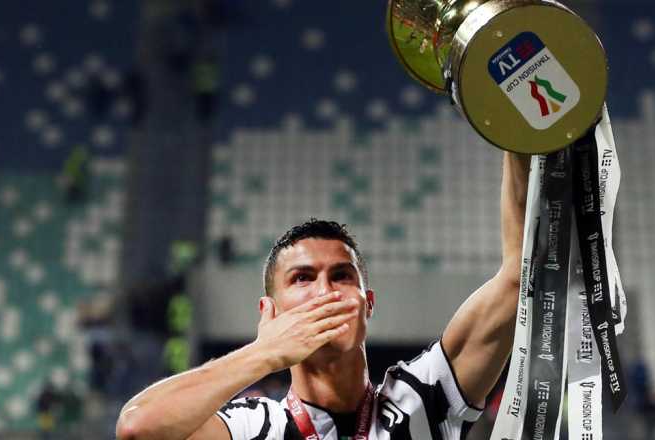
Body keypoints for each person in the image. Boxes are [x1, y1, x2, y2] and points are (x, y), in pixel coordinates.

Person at [115, 152, 530, 439]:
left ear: (368, 304)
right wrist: (263, 353)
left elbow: (517, 277)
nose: (325, 292)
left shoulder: (424, 397)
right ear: (270, 312)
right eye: (302, 279)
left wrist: (515, 129)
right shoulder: (252, 428)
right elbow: (138, 429)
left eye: (342, 276)